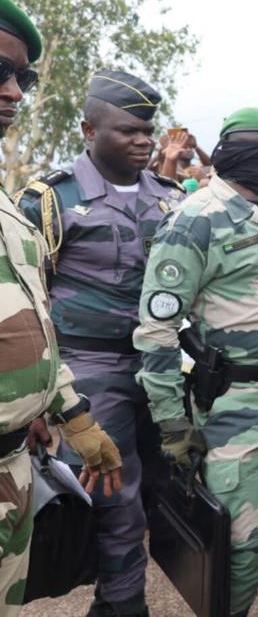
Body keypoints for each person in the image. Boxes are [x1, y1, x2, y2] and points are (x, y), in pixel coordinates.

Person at [133, 107, 258, 617]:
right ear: (243, 152)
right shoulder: (193, 219)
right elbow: (157, 328)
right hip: (238, 408)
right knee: (245, 544)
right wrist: (172, 425)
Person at [16, 69, 184, 617]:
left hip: (159, 367)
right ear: (89, 129)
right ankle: (121, 604)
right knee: (115, 498)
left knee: (165, 490)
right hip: (86, 369)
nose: (144, 141)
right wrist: (42, 401)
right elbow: (25, 301)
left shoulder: (171, 197)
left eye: (148, 131)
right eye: (128, 131)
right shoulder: (50, 200)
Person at [0, 0, 123, 614]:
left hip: (14, 469)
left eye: (23, 77)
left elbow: (35, 329)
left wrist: (76, 417)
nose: (16, 93)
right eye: (1, 71)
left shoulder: (8, 212)